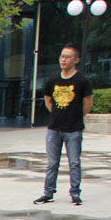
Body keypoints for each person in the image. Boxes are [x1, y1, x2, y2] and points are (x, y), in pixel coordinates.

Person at [33, 45, 93, 206]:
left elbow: (88, 103)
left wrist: (77, 116)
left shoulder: (82, 81)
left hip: (74, 129)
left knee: (74, 163)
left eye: (68, 56)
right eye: (62, 56)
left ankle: (75, 193)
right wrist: (56, 113)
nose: (64, 59)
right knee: (52, 163)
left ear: (76, 60)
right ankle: (48, 192)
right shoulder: (52, 80)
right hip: (54, 128)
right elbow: (48, 100)